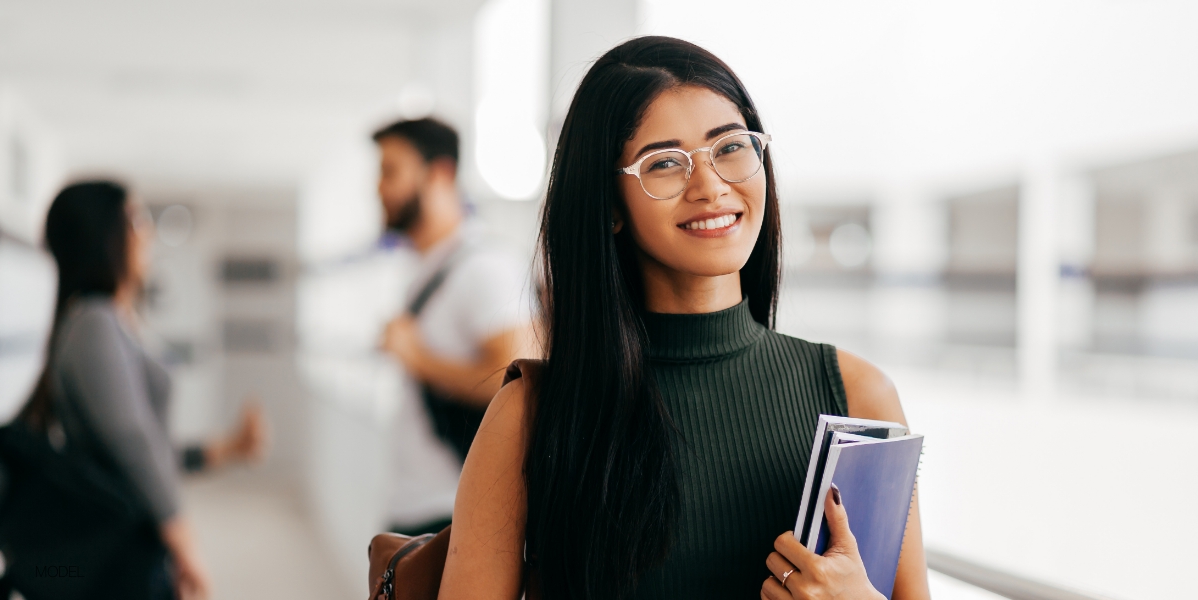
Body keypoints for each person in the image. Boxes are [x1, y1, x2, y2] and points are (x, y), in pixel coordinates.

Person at [440, 37, 931, 600]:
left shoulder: (859, 395)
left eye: (730, 147)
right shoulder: (531, 414)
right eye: (665, 163)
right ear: (610, 206)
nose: (710, 186)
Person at [11, 181, 267, 600]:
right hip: (121, 551)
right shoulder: (94, 323)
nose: (146, 233)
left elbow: (146, 446)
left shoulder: (109, 322)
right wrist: (183, 541)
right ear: (104, 234)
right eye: (136, 219)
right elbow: (132, 442)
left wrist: (228, 448)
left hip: (133, 544)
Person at [374, 118, 533, 531]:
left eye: (390, 171)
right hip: (419, 507)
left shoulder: (485, 268)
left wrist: (417, 358)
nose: (378, 188)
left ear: (440, 173)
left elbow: (519, 384)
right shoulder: (427, 269)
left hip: (456, 514)